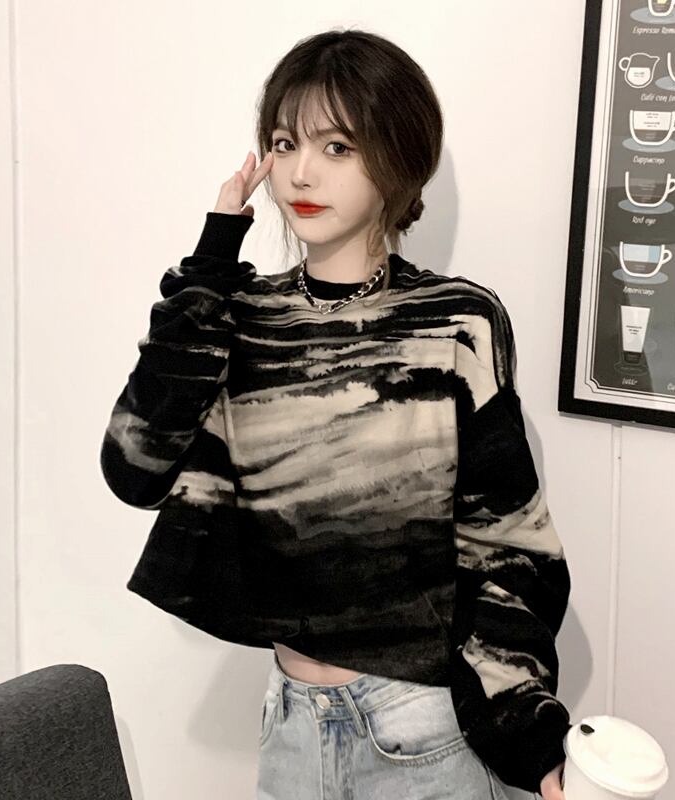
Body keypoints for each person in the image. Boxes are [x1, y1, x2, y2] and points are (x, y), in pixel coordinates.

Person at [100, 27, 571, 800]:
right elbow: (134, 466)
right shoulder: (240, 315)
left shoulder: (455, 322)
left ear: (398, 158)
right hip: (290, 729)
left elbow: (507, 545)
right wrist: (212, 261)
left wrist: (530, 737)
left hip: (422, 731)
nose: (300, 172)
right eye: (285, 143)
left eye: (338, 147)